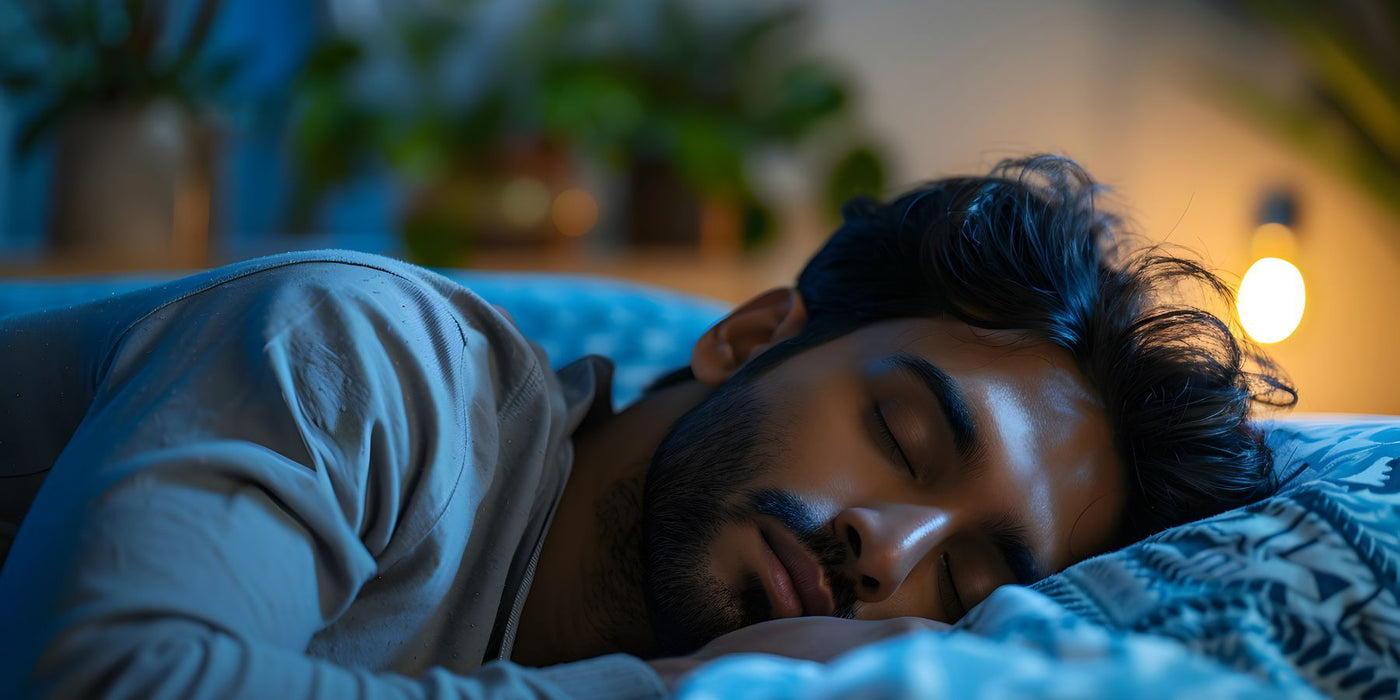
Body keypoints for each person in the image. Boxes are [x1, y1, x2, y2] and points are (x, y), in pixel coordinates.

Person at [0, 155, 1293, 699]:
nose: (885, 552)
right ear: (747, 335)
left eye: (965, 581)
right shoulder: (363, 351)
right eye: (901, 435)